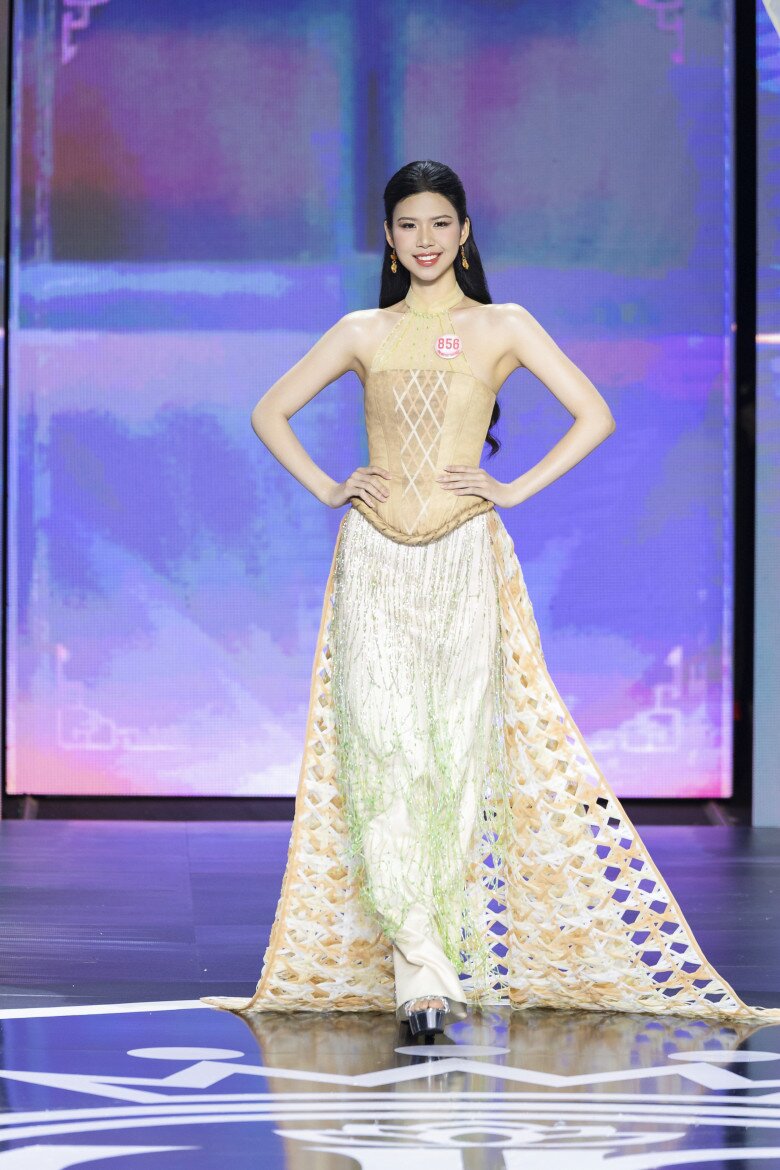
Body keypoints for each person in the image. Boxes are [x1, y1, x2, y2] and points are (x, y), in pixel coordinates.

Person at [201, 160, 780, 1038]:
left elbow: (595, 414)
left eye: (440, 223)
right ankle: (421, 974)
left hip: (465, 557)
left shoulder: (503, 324)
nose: (425, 239)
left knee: (452, 762)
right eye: (408, 225)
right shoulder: (361, 331)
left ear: (464, 232)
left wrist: (513, 489)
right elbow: (268, 411)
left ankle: (431, 965)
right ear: (388, 239)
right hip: (375, 562)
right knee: (383, 757)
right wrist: (328, 486)